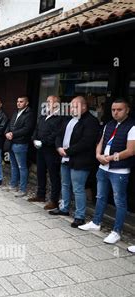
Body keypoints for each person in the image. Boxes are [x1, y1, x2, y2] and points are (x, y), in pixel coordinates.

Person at [78, 99, 135, 244]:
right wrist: (98, 155)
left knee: (119, 202)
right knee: (100, 196)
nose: (115, 112)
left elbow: (130, 150)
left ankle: (116, 232)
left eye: (119, 109)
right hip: (103, 167)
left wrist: (111, 158)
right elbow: (100, 142)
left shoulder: (132, 126)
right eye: (113, 110)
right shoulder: (109, 124)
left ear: (127, 110)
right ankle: (96, 223)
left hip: (119, 170)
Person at [51, 96, 100, 228]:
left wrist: (68, 151)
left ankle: (79, 216)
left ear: (84, 107)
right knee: (65, 184)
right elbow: (58, 135)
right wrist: (59, 147)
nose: (72, 108)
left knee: (78, 188)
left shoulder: (91, 121)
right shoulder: (68, 119)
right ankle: (64, 208)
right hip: (65, 157)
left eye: (75, 106)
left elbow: (86, 142)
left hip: (80, 160)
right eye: (71, 106)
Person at [29, 95, 66, 210]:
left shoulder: (60, 117)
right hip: (40, 149)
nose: (47, 103)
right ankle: (40, 195)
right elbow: (36, 129)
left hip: (51, 150)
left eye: (49, 101)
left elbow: (56, 134)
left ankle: (54, 200)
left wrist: (43, 142)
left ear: (56, 103)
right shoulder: (43, 115)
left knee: (53, 175)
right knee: (40, 172)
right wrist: (34, 139)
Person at [5, 96, 35, 198]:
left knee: (22, 167)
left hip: (21, 143)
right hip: (12, 142)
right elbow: (9, 124)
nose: (18, 103)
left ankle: (22, 189)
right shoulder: (16, 112)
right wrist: (7, 133)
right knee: (13, 166)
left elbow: (27, 129)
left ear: (26, 103)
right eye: (17, 101)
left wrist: (13, 134)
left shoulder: (29, 114)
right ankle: (13, 185)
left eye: (21, 102)